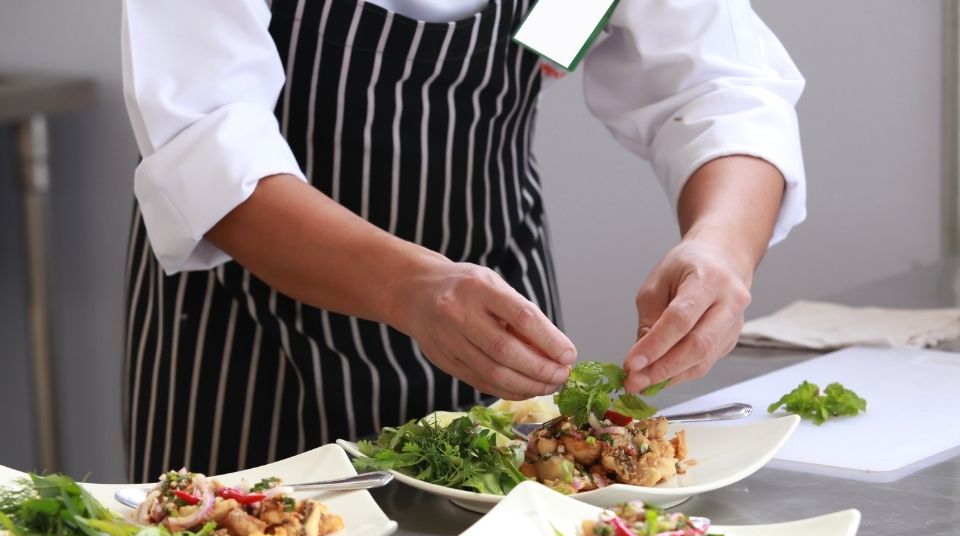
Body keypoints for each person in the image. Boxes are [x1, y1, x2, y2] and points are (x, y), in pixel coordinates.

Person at [121, 0, 805, 482]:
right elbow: (207, 143)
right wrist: (410, 288)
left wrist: (722, 246)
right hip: (255, 333)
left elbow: (720, 83)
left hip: (501, 297)